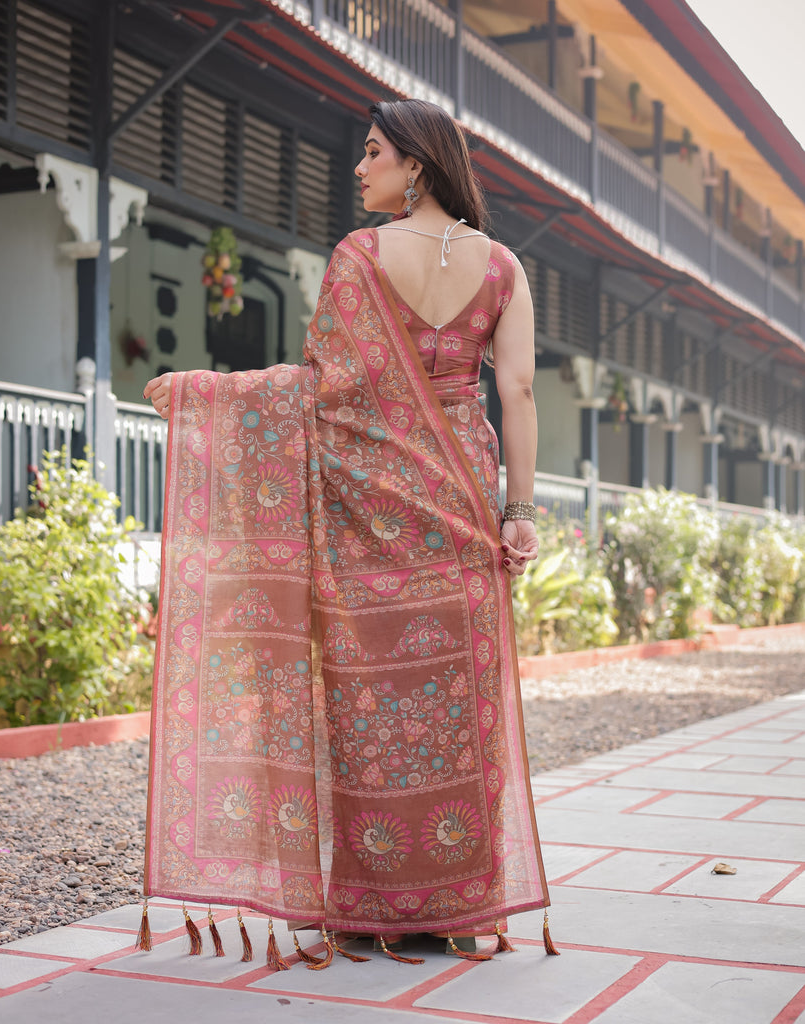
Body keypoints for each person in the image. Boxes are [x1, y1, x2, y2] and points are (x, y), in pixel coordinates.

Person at [142, 98, 553, 967]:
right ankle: (457, 902)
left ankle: (375, 902)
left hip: (373, 505)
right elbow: (515, 395)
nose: (358, 169)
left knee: (367, 697)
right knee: (456, 700)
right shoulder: (505, 268)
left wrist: (205, 393)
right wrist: (518, 513)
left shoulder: (361, 258)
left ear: (418, 166)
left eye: (373, 153)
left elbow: (324, 390)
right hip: (467, 496)